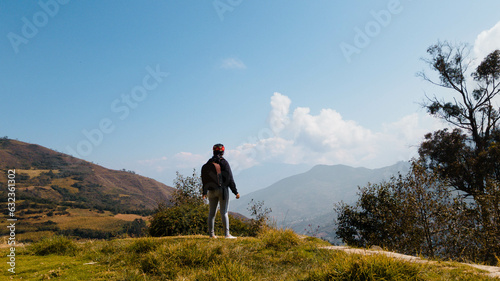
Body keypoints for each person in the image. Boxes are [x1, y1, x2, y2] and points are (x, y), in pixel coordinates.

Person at [201, 143, 240, 239]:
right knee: (224, 212)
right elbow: (230, 178)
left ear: (213, 151)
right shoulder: (224, 162)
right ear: (223, 151)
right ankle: (227, 235)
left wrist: (204, 192)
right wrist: (235, 192)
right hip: (222, 190)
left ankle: (211, 235)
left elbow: (205, 178)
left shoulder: (209, 162)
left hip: (211, 190)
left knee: (211, 213)